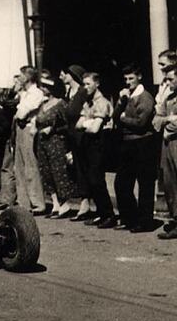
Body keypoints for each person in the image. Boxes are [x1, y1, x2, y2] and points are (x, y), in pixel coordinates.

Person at [112, 63, 158, 232]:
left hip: (143, 143)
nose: (128, 82)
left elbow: (141, 123)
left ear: (139, 78)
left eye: (131, 78)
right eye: (126, 79)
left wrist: (123, 118)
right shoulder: (127, 96)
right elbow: (115, 116)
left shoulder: (144, 97)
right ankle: (129, 218)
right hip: (127, 143)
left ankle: (145, 222)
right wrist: (120, 102)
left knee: (145, 183)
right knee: (121, 183)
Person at [75, 73, 116, 228]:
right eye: (84, 84)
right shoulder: (88, 103)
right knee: (92, 179)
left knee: (97, 179)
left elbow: (94, 129)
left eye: (88, 84)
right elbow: (78, 124)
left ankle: (108, 214)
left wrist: (88, 122)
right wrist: (88, 122)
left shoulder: (102, 102)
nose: (85, 88)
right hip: (90, 144)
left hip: (100, 144)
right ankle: (101, 213)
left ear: (96, 84)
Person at [32, 77, 74, 218]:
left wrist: (54, 129)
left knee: (58, 172)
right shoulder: (42, 105)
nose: (43, 89)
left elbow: (68, 124)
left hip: (56, 142)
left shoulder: (60, 104)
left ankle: (64, 204)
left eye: (46, 87)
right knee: (46, 172)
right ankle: (55, 202)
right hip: (42, 142)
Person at [61, 65, 94, 221]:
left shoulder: (81, 91)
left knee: (84, 167)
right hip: (72, 134)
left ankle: (87, 202)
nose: (63, 76)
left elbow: (72, 112)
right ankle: (84, 202)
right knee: (78, 168)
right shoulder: (69, 92)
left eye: (66, 73)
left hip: (81, 134)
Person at [13, 66, 46, 214]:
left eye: (20, 76)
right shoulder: (24, 93)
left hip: (28, 128)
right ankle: (23, 201)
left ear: (27, 77)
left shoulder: (36, 93)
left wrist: (19, 113)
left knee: (30, 166)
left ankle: (37, 202)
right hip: (20, 129)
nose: (18, 79)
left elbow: (21, 114)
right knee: (19, 166)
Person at [0, 76, 23, 210]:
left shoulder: (1, 109)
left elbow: (4, 125)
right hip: (1, 143)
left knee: (5, 168)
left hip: (3, 142)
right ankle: (4, 196)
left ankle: (7, 198)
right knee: (1, 169)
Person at [152, 64, 177, 239]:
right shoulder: (169, 97)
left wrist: (166, 122)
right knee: (170, 183)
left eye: (171, 79)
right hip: (168, 145)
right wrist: (169, 119)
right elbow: (156, 120)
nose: (167, 83)